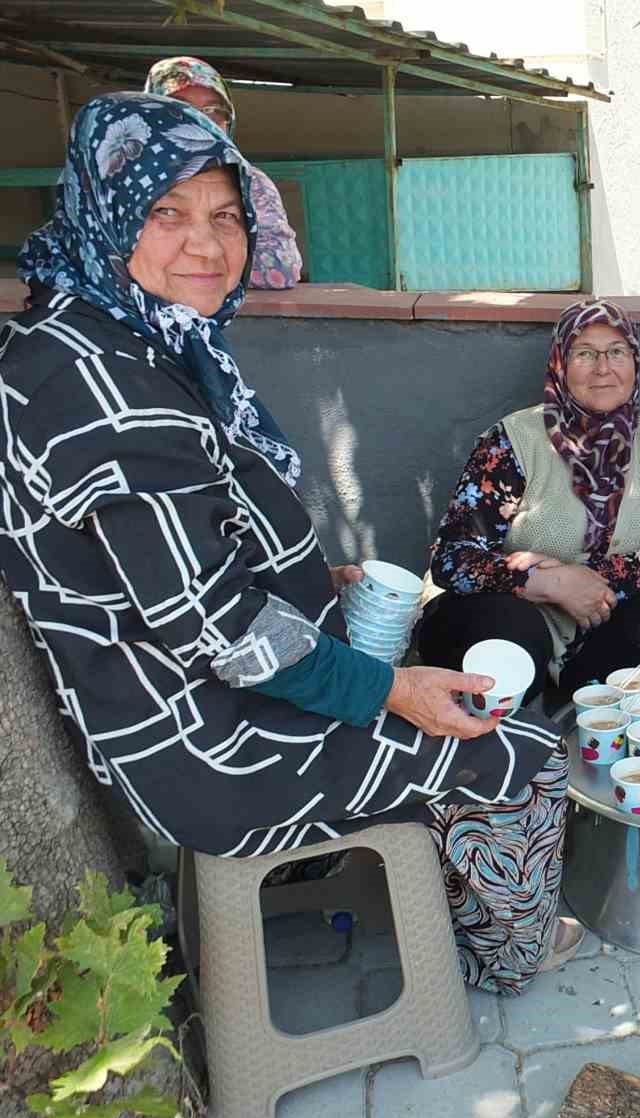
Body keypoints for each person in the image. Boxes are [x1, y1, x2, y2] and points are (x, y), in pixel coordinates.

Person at [0, 94, 579, 995]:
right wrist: (392, 690)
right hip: (214, 748)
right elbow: (221, 631)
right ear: (104, 210)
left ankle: (435, 892)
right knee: (523, 749)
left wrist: (316, 576)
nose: (208, 244)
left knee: (441, 691)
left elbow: (178, 556)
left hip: (204, 701)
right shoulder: (105, 391)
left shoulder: (106, 336)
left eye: (225, 215)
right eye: (168, 212)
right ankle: (505, 957)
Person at [417, 299, 640, 701]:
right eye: (584, 353)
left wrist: (590, 584)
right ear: (561, 364)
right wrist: (548, 582)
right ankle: (515, 733)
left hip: (599, 616)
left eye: (616, 352)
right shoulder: (515, 439)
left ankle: (590, 709)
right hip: (514, 616)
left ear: (634, 362)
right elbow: (452, 559)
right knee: (511, 627)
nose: (603, 368)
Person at [144, 56, 303, 290]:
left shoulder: (250, 182)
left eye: (213, 111)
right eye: (179, 108)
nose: (199, 120)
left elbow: (281, 267)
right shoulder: (119, 179)